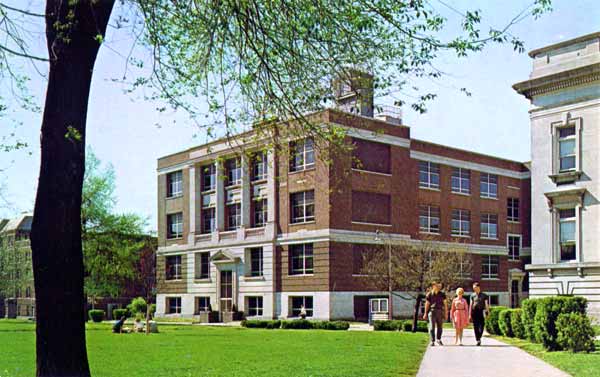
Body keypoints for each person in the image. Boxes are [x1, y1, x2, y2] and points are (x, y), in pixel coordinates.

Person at [422, 281, 447, 346]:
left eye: (440, 286)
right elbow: (427, 304)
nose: (439, 287)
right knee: (432, 327)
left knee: (440, 326)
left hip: (440, 311)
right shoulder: (429, 294)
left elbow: (445, 304)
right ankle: (432, 341)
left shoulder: (442, 294)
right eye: (437, 286)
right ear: (433, 286)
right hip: (432, 312)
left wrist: (446, 313)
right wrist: (425, 313)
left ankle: (439, 339)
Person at [469, 281, 490, 346]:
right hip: (474, 311)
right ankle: (478, 339)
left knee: (482, 325)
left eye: (475, 287)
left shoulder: (484, 295)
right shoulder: (472, 295)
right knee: (475, 326)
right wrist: (469, 314)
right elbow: (471, 304)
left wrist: (488, 312)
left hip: (481, 311)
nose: (474, 289)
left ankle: (479, 335)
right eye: (473, 288)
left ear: (479, 287)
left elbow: (486, 304)